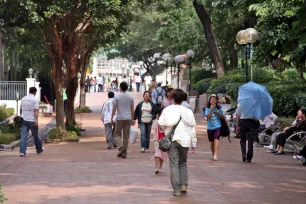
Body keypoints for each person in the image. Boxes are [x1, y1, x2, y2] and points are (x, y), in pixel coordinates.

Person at [158, 89, 197, 196]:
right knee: (183, 162)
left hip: (173, 139)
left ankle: (176, 189)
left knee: (174, 164)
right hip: (185, 140)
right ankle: (184, 185)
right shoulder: (188, 111)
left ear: (173, 98)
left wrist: (166, 128)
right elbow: (192, 128)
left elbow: (160, 122)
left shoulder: (167, 110)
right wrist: (194, 144)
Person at [111, 82, 135, 158]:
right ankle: (124, 153)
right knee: (125, 136)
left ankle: (121, 147)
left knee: (117, 134)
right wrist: (133, 118)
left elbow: (114, 108)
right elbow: (132, 109)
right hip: (128, 118)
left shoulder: (117, 96)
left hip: (120, 118)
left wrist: (112, 117)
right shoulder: (130, 97)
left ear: (120, 87)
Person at [19, 87, 44, 157]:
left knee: (23, 136)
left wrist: (21, 115)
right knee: (35, 136)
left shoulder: (23, 99)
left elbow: (20, 109)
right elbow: (36, 111)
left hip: (24, 120)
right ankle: (39, 150)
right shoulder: (35, 100)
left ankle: (22, 152)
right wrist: (36, 120)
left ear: (29, 91)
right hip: (32, 120)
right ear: (35, 92)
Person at [205, 94, 224, 161]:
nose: (213, 101)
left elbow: (223, 117)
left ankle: (215, 155)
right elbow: (208, 117)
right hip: (210, 127)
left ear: (216, 100)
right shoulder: (207, 108)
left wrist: (219, 114)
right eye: (212, 99)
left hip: (217, 126)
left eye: (214, 99)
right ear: (210, 101)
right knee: (212, 142)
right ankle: (213, 153)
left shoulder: (219, 108)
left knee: (216, 140)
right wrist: (211, 109)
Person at [152, 108, 167, 174]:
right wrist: (156, 121)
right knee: (157, 153)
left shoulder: (167, 121)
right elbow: (153, 129)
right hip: (157, 140)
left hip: (165, 140)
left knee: (163, 154)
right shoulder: (156, 121)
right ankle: (156, 167)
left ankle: (160, 166)